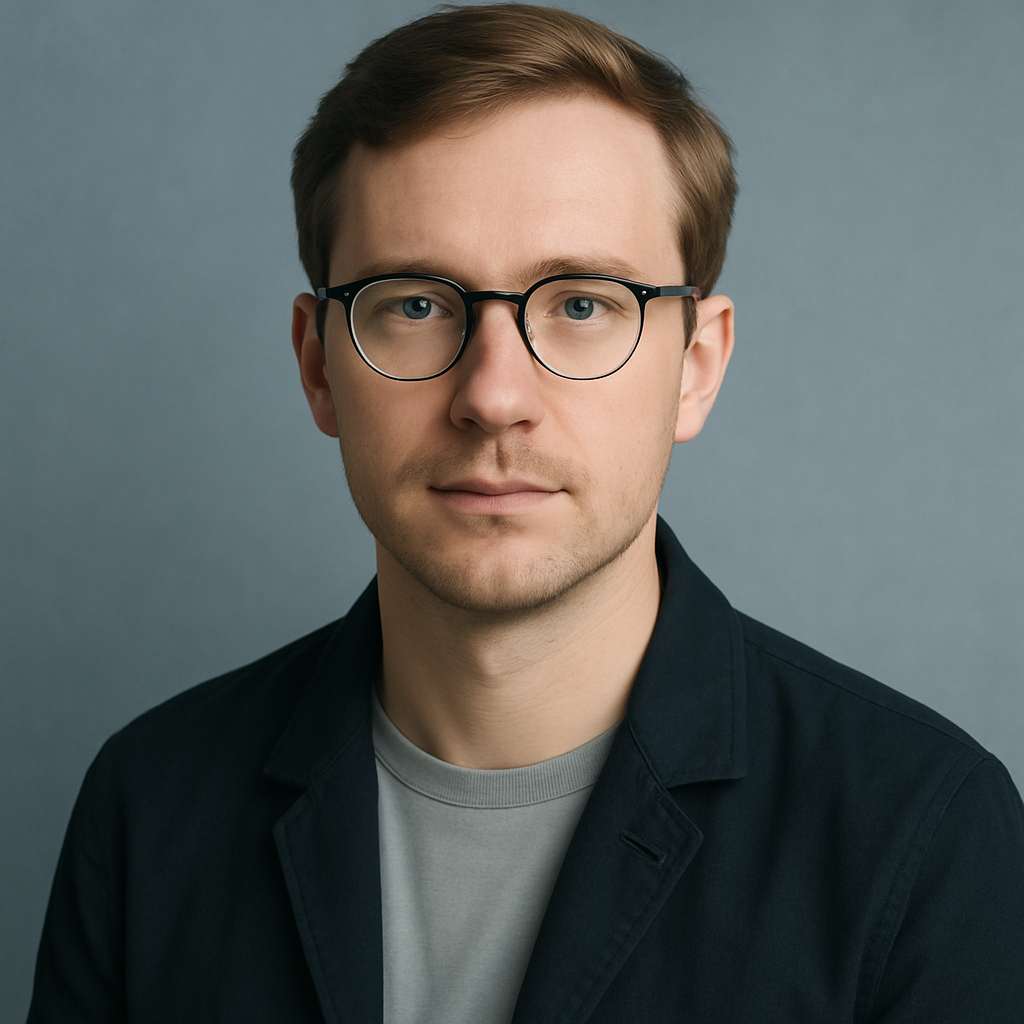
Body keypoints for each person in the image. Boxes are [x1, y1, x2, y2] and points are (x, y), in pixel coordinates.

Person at [28, 4, 1024, 1022]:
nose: (493, 394)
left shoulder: (922, 831)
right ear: (316, 365)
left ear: (695, 366)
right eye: (414, 303)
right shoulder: (147, 808)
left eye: (583, 302)